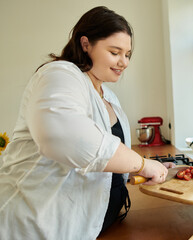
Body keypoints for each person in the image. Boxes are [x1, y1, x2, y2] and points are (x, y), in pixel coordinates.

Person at [0, 6, 174, 239]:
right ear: (86, 44)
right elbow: (64, 138)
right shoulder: (59, 74)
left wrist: (136, 172)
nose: (124, 62)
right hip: (38, 226)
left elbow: (99, 161)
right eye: (115, 52)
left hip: (100, 226)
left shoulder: (108, 96)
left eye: (128, 54)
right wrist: (141, 164)